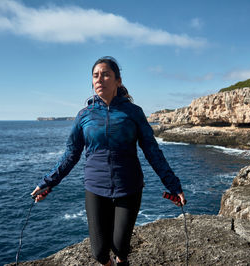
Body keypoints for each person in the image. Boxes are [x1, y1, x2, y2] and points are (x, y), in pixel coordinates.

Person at [31, 56, 186, 266]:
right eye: (95, 76)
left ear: (118, 81)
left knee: (121, 246)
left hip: (128, 186)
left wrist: (173, 184)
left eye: (105, 74)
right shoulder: (84, 115)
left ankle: (121, 261)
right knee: (99, 253)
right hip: (95, 187)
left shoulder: (133, 113)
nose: (99, 79)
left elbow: (152, 151)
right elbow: (71, 154)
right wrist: (48, 182)